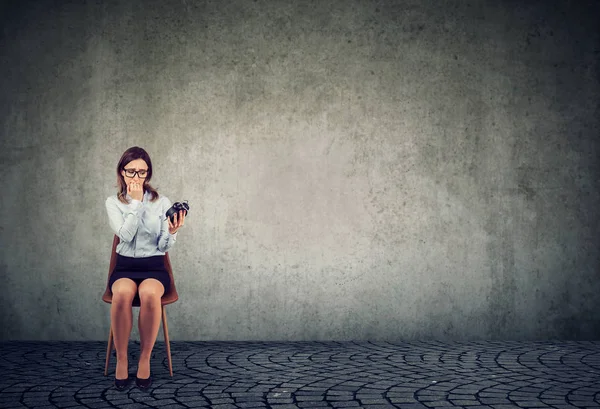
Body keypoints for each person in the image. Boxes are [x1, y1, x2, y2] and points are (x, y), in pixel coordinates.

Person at [105, 146, 185, 391]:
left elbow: (162, 245)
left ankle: (144, 359)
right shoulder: (113, 202)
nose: (136, 178)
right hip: (125, 266)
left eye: (142, 172)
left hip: (154, 266)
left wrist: (172, 232)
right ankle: (121, 359)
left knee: (150, 294)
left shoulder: (161, 202)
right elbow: (125, 236)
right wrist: (136, 204)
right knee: (122, 295)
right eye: (131, 172)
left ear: (148, 174)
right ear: (121, 172)